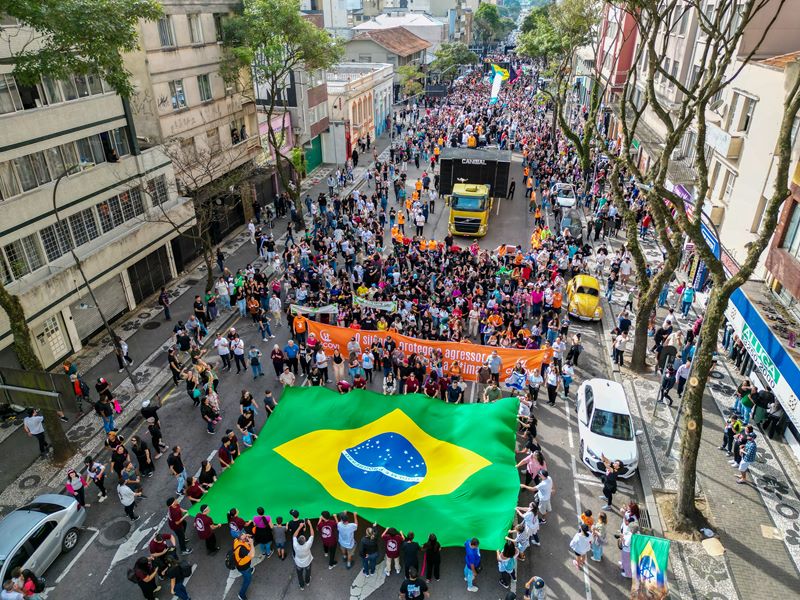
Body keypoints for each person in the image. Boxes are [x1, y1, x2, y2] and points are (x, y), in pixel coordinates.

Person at [293, 520, 314, 590]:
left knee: (299, 575)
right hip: (307, 562)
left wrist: (299, 527)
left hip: (298, 563)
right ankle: (307, 582)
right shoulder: (308, 545)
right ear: (305, 541)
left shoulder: (295, 545)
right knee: (308, 573)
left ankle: (301, 586)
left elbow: (294, 536)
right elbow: (312, 535)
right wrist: (310, 524)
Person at [233, 531, 255, 600]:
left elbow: (244, 541)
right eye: (245, 538)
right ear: (241, 539)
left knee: (248, 569)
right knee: (247, 580)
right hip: (244, 568)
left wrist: (246, 536)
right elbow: (252, 555)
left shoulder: (236, 540)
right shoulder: (242, 550)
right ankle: (241, 594)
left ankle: (250, 570)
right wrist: (251, 544)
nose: (246, 538)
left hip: (243, 564)